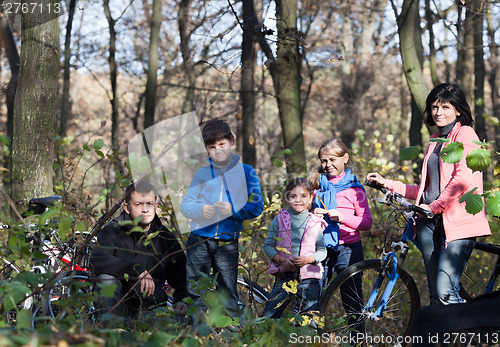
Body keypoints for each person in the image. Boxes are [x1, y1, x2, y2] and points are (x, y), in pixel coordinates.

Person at [366, 83, 491, 305]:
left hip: (457, 222)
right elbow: (428, 191)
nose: (438, 112)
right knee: (436, 294)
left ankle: (465, 334)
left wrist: (433, 207)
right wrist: (388, 184)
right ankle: (442, 338)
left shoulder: (465, 133)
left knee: (445, 290)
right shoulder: (434, 140)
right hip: (430, 221)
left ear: (458, 110)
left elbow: (461, 181)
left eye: (445, 107)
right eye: (434, 107)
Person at [180, 118, 264, 321]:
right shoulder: (202, 174)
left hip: (227, 242)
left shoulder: (247, 172)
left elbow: (257, 207)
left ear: (231, 141)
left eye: (222, 144)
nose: (218, 151)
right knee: (195, 293)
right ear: (206, 149)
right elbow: (186, 205)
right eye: (212, 147)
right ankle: (195, 336)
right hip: (199, 240)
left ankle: (235, 334)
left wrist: (233, 210)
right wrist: (201, 209)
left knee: (227, 293)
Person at [90, 180, 188, 320]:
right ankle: (112, 333)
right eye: (138, 204)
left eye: (149, 204)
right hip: (118, 308)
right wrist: (135, 269)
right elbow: (98, 259)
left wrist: (182, 299)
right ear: (127, 207)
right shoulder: (113, 230)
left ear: (156, 206)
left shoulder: (164, 236)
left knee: (176, 328)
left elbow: (181, 272)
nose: (145, 209)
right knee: (106, 279)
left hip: (151, 309)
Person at [310, 139, 373, 287]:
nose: (328, 164)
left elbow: (367, 223)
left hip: (349, 248)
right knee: (315, 295)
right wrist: (313, 216)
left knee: (351, 297)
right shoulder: (317, 188)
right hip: (321, 247)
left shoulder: (354, 189)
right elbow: (305, 221)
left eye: (333, 159)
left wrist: (343, 217)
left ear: (345, 158)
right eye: (324, 161)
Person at [262, 178, 327, 319]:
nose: (298, 200)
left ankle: (305, 339)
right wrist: (281, 260)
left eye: (303, 196)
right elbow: (268, 246)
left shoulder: (316, 223)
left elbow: (322, 251)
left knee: (308, 317)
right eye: (293, 196)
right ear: (287, 198)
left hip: (309, 277)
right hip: (285, 275)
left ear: (310, 198)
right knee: (271, 313)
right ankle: (267, 338)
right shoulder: (280, 219)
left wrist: (309, 259)